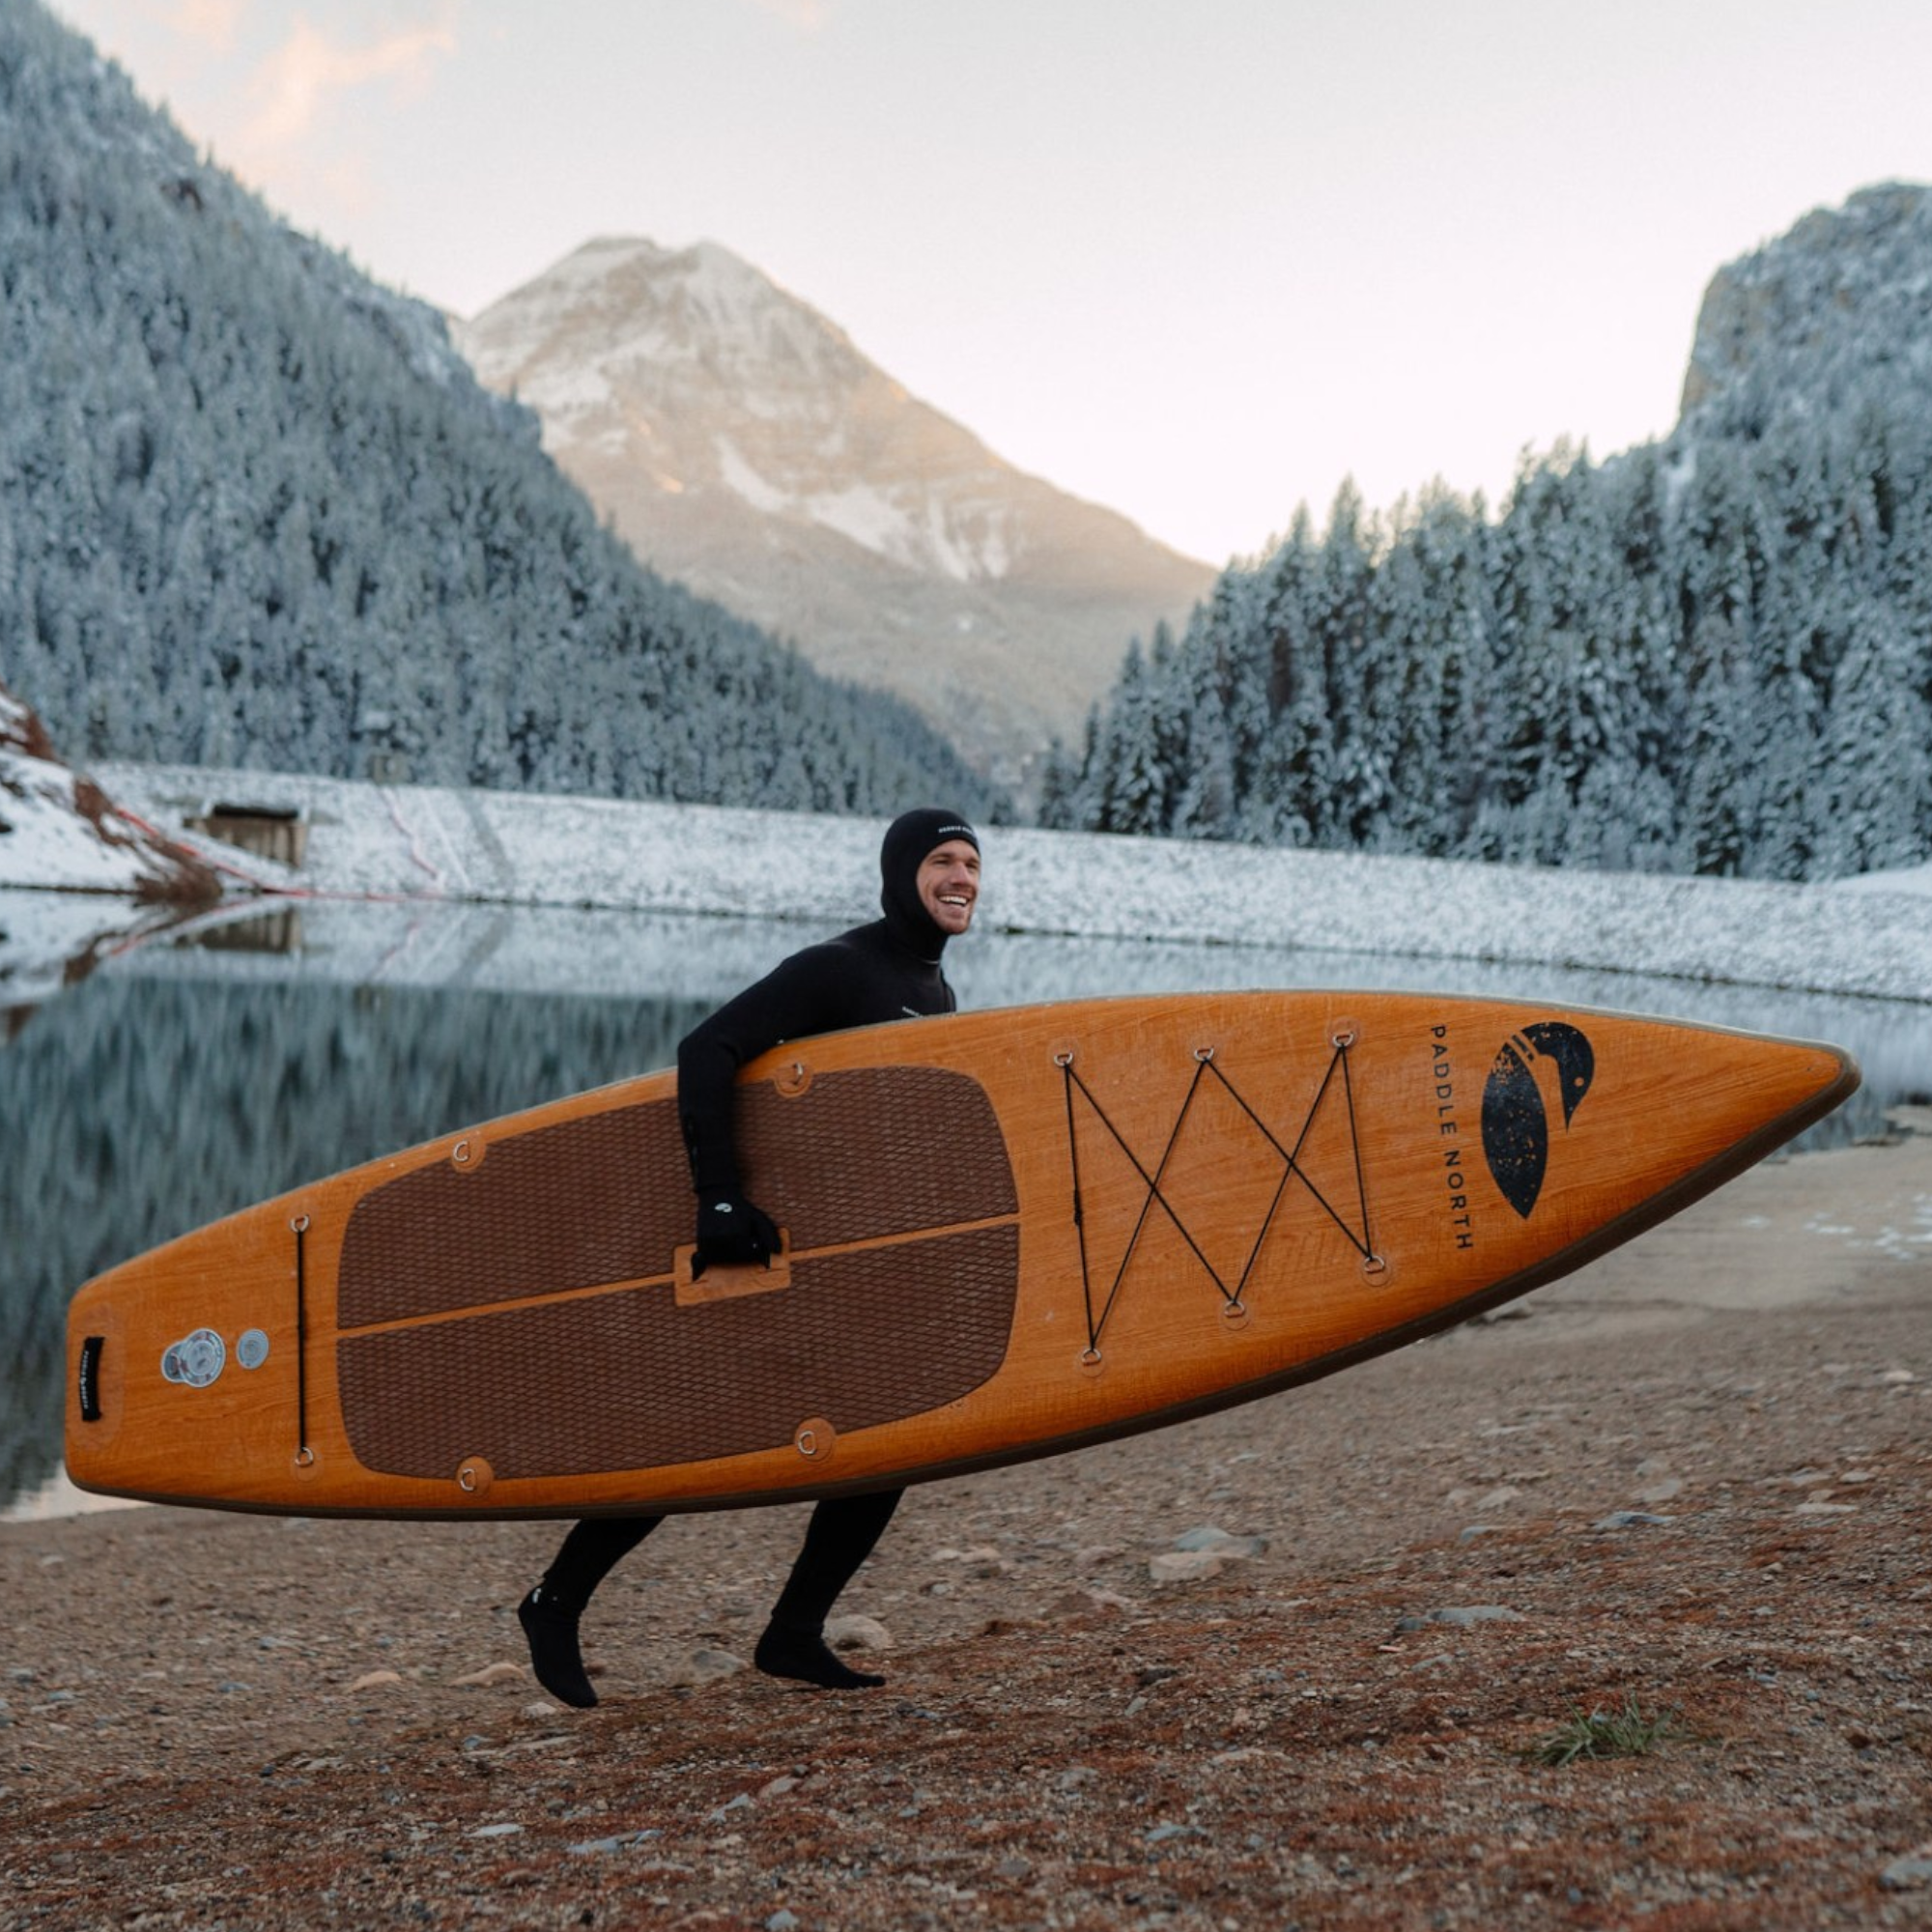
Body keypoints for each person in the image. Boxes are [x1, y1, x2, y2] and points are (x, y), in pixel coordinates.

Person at [517, 807, 983, 1705]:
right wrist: (720, 1198)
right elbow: (708, 1049)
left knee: (889, 1444)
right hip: (766, 1244)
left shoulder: (937, 995)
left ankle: (794, 1633)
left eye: (970, 862)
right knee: (700, 1431)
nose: (960, 877)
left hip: (849, 1260)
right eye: (941, 861)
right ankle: (555, 1598)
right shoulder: (839, 969)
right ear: (900, 875)